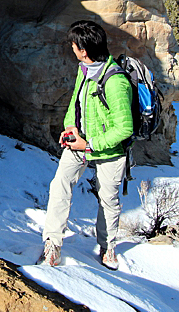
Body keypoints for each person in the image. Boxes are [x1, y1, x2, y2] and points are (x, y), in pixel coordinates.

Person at [38, 20, 133, 270]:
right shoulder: (85, 69)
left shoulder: (115, 82)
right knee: (60, 185)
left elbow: (124, 128)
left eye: (73, 45)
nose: (71, 48)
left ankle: (107, 245)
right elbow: (76, 102)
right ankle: (52, 244)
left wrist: (89, 144)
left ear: (83, 49)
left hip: (108, 149)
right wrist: (70, 127)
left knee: (108, 199)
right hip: (80, 142)